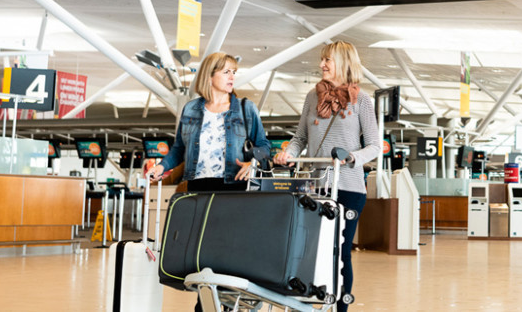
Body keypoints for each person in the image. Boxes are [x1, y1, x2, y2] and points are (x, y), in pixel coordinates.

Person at [147, 52, 269, 312]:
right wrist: (162, 166)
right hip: (198, 189)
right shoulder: (191, 109)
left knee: (228, 254)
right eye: (226, 72)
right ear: (209, 75)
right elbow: (179, 149)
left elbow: (264, 146)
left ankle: (226, 305)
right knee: (201, 255)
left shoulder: (246, 109)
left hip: (232, 188)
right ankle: (207, 305)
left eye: (234, 72)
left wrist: (253, 163)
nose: (232, 77)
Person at [274, 41, 380, 311]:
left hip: (348, 188)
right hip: (314, 188)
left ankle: (340, 308)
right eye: (322, 59)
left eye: (327, 60)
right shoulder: (313, 97)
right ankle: (310, 301)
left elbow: (375, 146)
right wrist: (289, 153)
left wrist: (351, 157)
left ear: (344, 63)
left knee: (340, 253)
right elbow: (300, 138)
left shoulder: (362, 100)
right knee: (308, 251)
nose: (322, 65)